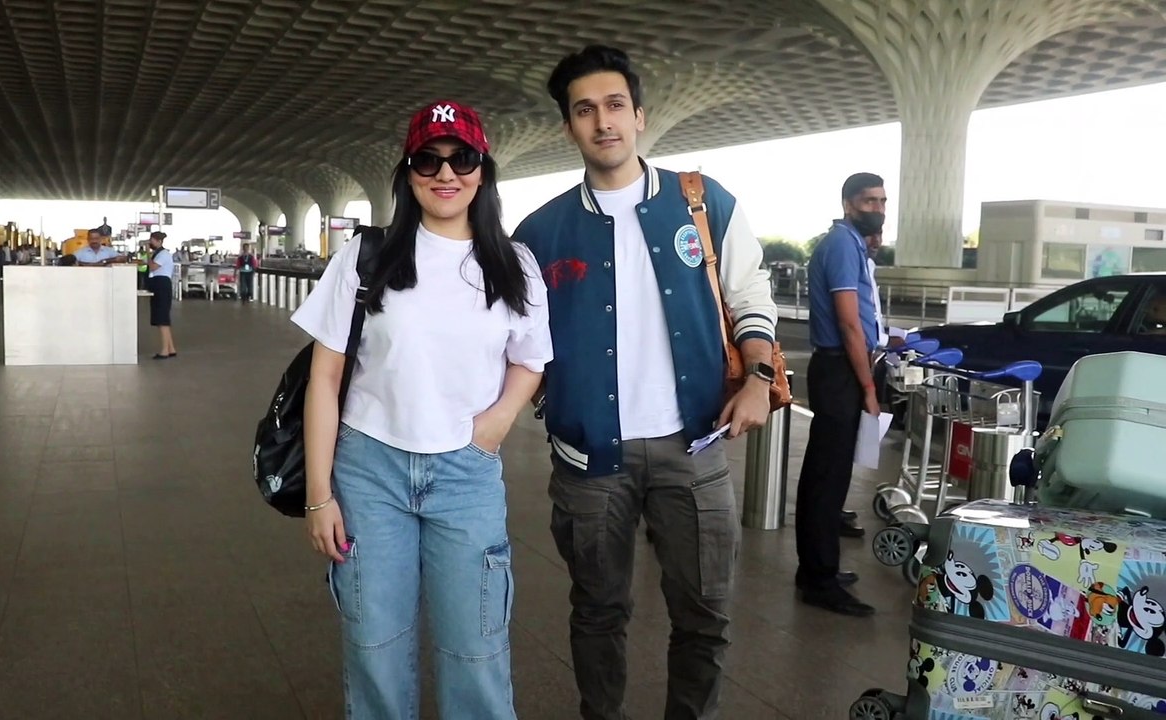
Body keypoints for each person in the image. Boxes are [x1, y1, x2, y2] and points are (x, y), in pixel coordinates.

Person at [514, 45, 778, 720]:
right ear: (568, 127)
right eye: (584, 110)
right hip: (588, 460)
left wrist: (757, 375)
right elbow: (509, 340)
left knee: (705, 613)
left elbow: (750, 296)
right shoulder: (539, 233)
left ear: (639, 115)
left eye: (614, 106)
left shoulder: (702, 204)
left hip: (693, 447)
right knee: (598, 612)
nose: (603, 122)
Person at [291, 99, 552, 719]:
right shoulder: (366, 256)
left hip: (465, 474)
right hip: (368, 471)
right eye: (427, 158)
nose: (446, 172)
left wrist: (495, 423)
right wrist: (320, 495)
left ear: (482, 171)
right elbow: (325, 379)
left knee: (476, 651)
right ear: (408, 172)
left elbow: (531, 360)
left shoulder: (513, 266)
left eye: (462, 158)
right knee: (374, 648)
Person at [795, 172, 886, 617]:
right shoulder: (841, 244)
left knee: (830, 476)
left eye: (883, 200)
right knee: (825, 476)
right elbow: (849, 322)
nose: (879, 208)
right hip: (837, 370)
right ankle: (818, 579)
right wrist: (868, 387)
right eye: (869, 201)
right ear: (849, 204)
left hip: (842, 367)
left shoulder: (850, 242)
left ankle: (818, 567)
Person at [146, 231, 178, 359]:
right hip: (159, 284)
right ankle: (171, 348)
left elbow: (153, 267)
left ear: (158, 241)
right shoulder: (159, 253)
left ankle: (164, 351)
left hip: (162, 284)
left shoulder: (163, 254)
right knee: (162, 319)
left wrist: (148, 254)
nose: (150, 243)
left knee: (162, 319)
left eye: (152, 240)